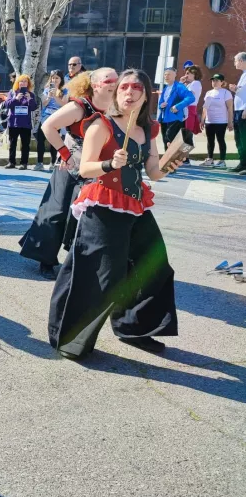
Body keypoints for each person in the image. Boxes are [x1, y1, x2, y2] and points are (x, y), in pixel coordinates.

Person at [48, 69, 178, 360]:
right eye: (124, 88)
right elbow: (85, 169)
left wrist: (173, 161)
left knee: (153, 265)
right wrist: (109, 163)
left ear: (146, 96)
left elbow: (154, 172)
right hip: (104, 204)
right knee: (99, 277)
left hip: (135, 204)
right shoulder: (102, 125)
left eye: (137, 89)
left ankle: (135, 329)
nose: (129, 93)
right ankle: (69, 337)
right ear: (117, 93)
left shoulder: (149, 129)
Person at [19, 68, 117, 279]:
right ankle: (45, 261)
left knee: (89, 217)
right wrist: (64, 153)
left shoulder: (116, 107)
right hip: (70, 167)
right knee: (56, 213)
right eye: (108, 80)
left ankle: (84, 263)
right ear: (95, 84)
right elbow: (48, 126)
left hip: (97, 170)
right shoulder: (79, 106)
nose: (114, 83)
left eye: (116, 79)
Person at [35, 70, 68, 171]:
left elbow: (64, 104)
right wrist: (49, 96)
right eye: (53, 78)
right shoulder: (47, 89)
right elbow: (44, 104)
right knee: (40, 140)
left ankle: (53, 162)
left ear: (61, 79)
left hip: (57, 117)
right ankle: (39, 163)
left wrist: (56, 96)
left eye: (57, 78)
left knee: (54, 140)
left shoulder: (64, 91)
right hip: (45, 117)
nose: (55, 80)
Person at [4, 74, 38, 169]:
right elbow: (7, 105)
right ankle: (11, 162)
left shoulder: (31, 94)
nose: (23, 83)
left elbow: (34, 107)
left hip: (25, 124)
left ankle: (24, 163)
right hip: (13, 123)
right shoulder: (12, 93)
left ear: (28, 84)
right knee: (12, 144)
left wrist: (29, 99)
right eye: (21, 81)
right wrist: (16, 99)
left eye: (25, 81)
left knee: (25, 145)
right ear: (17, 83)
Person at [157, 66, 195, 151]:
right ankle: (168, 162)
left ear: (175, 75)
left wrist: (177, 106)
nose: (166, 76)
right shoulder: (165, 88)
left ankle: (176, 160)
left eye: (169, 74)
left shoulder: (179, 87)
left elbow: (191, 98)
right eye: (165, 75)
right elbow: (161, 102)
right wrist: (161, 105)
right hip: (164, 118)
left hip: (175, 118)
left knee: (171, 139)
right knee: (165, 140)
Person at [201, 73, 234, 168]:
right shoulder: (209, 93)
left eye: (217, 80)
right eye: (213, 80)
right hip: (209, 121)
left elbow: (230, 108)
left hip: (221, 122)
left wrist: (230, 121)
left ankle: (222, 161)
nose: (214, 82)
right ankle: (210, 159)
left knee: (220, 140)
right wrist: (202, 120)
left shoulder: (226, 93)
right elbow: (205, 108)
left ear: (222, 82)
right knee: (210, 140)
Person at [233, 52, 246, 173]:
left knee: (244, 138)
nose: (235, 63)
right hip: (238, 110)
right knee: (238, 138)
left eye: (236, 60)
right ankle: (242, 163)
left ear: (242, 61)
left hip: (244, 110)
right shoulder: (243, 75)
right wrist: (235, 89)